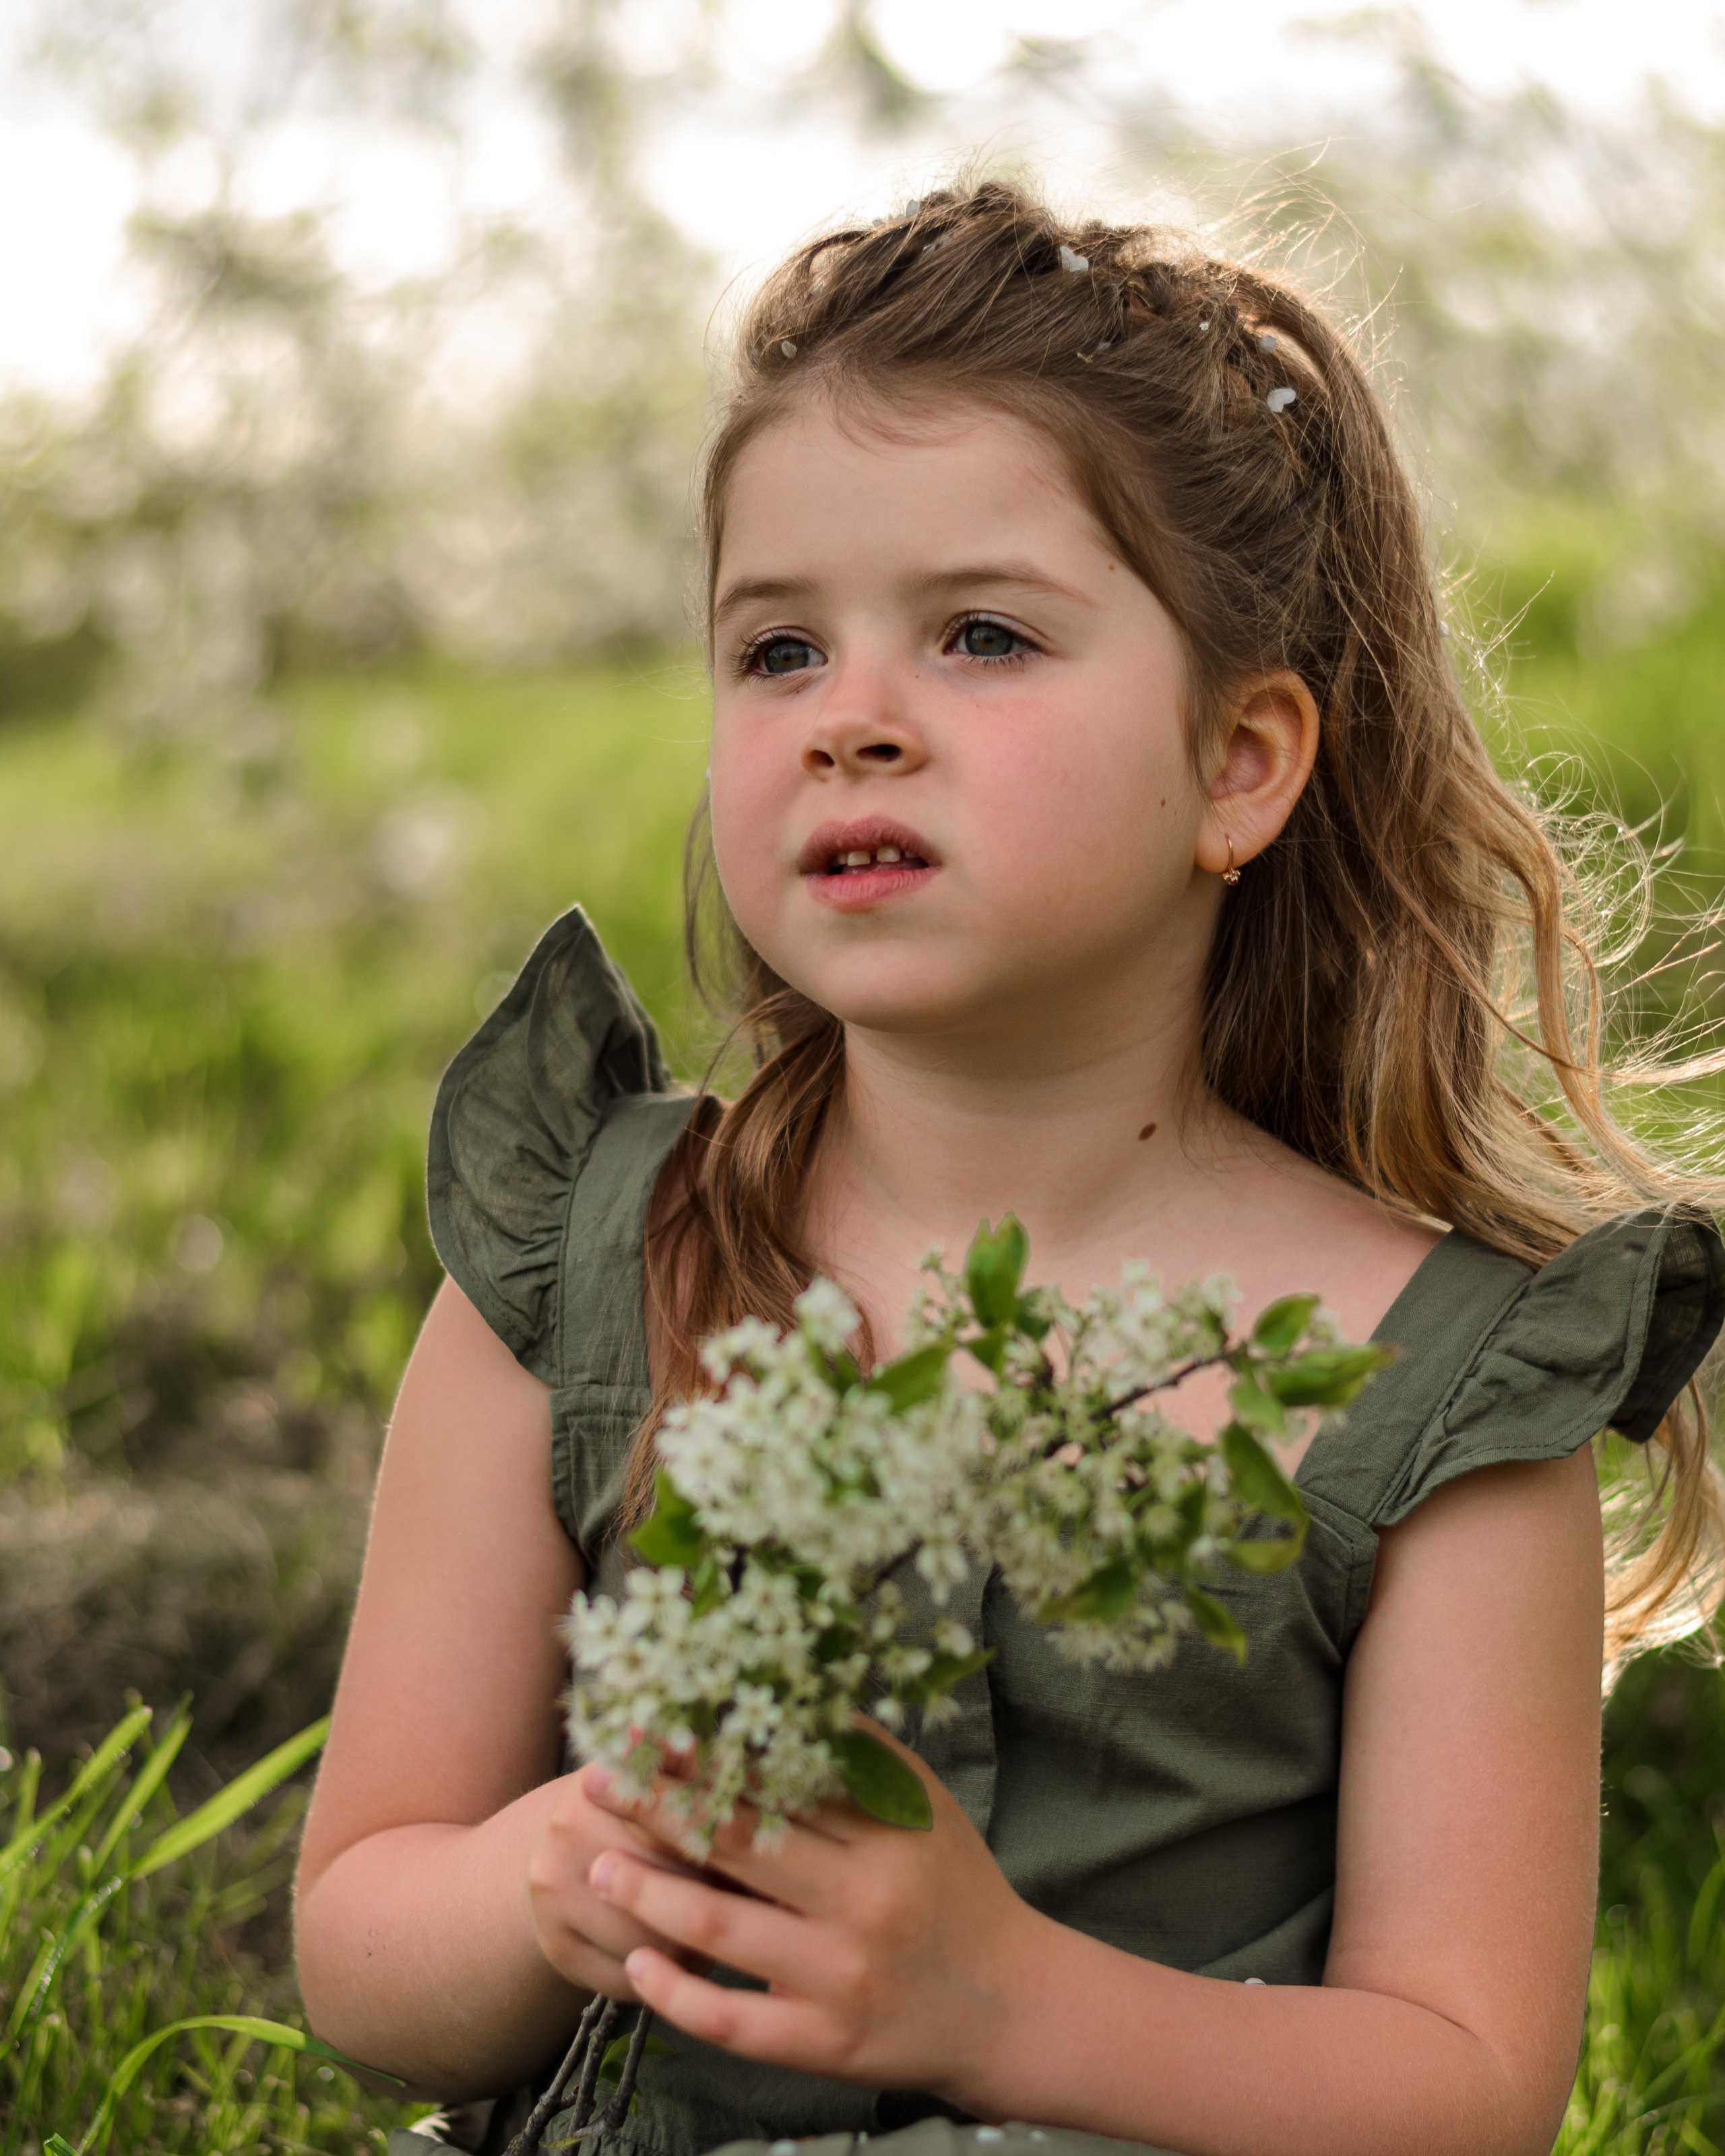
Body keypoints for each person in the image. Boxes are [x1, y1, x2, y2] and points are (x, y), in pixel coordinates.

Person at [292, 178, 1725, 2156]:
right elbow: (365, 1956)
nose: (853, 723)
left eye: (979, 635)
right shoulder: (587, 1263)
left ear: (1241, 764)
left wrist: (1003, 2003)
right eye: (777, 650)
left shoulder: (1439, 1384)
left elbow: (1467, 2086)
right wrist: (571, 1869)